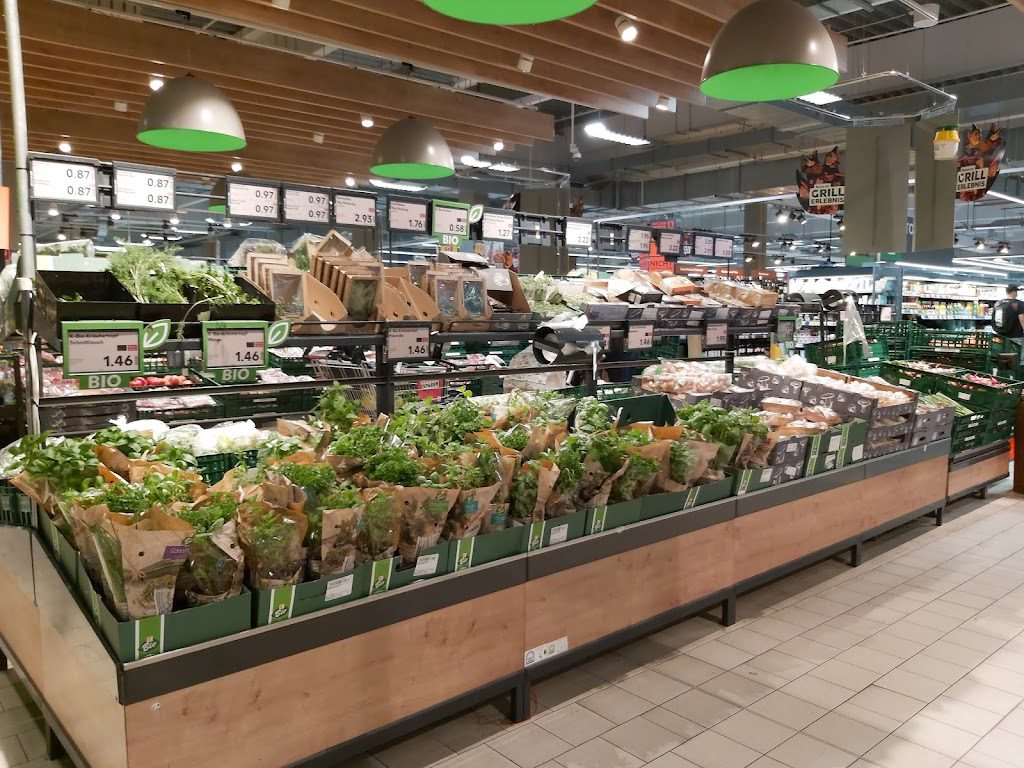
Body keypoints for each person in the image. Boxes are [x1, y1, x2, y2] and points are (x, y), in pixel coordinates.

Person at [995, 285, 1024, 364]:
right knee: (1018, 357)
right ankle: (1017, 370)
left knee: (1004, 356)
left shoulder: (998, 303)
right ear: (1014, 292)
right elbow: (1022, 320)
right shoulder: (1019, 304)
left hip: (1001, 335)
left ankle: (1005, 370)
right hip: (1016, 336)